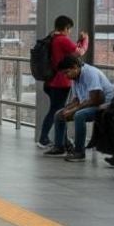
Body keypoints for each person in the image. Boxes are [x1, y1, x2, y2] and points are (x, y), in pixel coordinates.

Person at [46, 56, 114, 160]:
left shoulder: (90, 73)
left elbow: (95, 100)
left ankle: (79, 151)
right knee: (59, 114)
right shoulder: (75, 77)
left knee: (79, 115)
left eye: (67, 72)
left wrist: (74, 110)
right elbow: (76, 100)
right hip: (90, 104)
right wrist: (67, 109)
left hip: (105, 105)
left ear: (75, 67)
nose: (66, 76)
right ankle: (59, 146)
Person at [38, 15, 89, 150]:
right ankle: (44, 138)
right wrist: (86, 40)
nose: (70, 32)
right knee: (58, 111)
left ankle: (63, 140)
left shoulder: (53, 38)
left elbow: (68, 53)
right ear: (66, 28)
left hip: (50, 81)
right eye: (70, 29)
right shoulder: (62, 40)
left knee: (58, 110)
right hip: (60, 83)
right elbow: (80, 52)